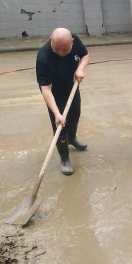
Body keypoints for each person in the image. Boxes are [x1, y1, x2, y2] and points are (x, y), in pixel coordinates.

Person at [36, 28, 89, 175]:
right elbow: (45, 89)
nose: (60, 52)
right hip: (55, 94)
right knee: (60, 126)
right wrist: (57, 113)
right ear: (50, 40)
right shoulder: (43, 57)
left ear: (71, 42)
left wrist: (80, 69)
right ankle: (65, 159)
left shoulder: (75, 40)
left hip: (72, 87)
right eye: (56, 48)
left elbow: (85, 55)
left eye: (64, 49)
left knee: (74, 117)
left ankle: (72, 139)